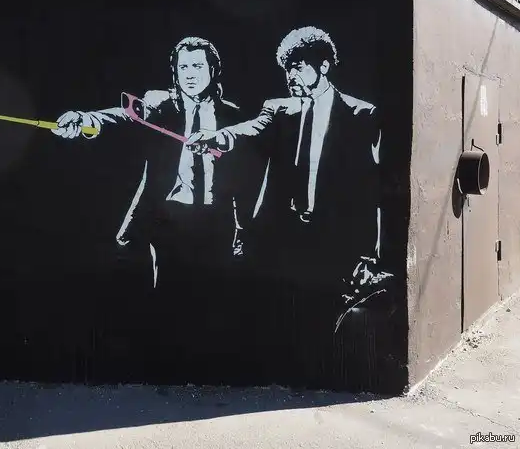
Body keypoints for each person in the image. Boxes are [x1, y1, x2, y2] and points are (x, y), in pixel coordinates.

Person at [187, 26, 393, 386]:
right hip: (283, 234)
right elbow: (250, 129)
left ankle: (318, 383)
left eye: (298, 67)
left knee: (323, 316)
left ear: (323, 66)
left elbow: (372, 188)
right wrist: (219, 137)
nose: (290, 76)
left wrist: (370, 251)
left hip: (332, 238)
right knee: (279, 311)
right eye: (287, 69)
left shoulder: (361, 115)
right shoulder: (280, 109)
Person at [53, 36, 251, 381]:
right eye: (183, 67)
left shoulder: (232, 115)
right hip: (168, 216)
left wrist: (240, 226)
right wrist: (85, 121)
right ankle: (165, 373)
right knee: (168, 296)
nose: (190, 74)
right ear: (175, 72)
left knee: (210, 300)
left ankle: (205, 376)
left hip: (214, 220)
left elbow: (244, 177)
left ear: (213, 70)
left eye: (198, 66)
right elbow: (121, 116)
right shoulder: (159, 105)